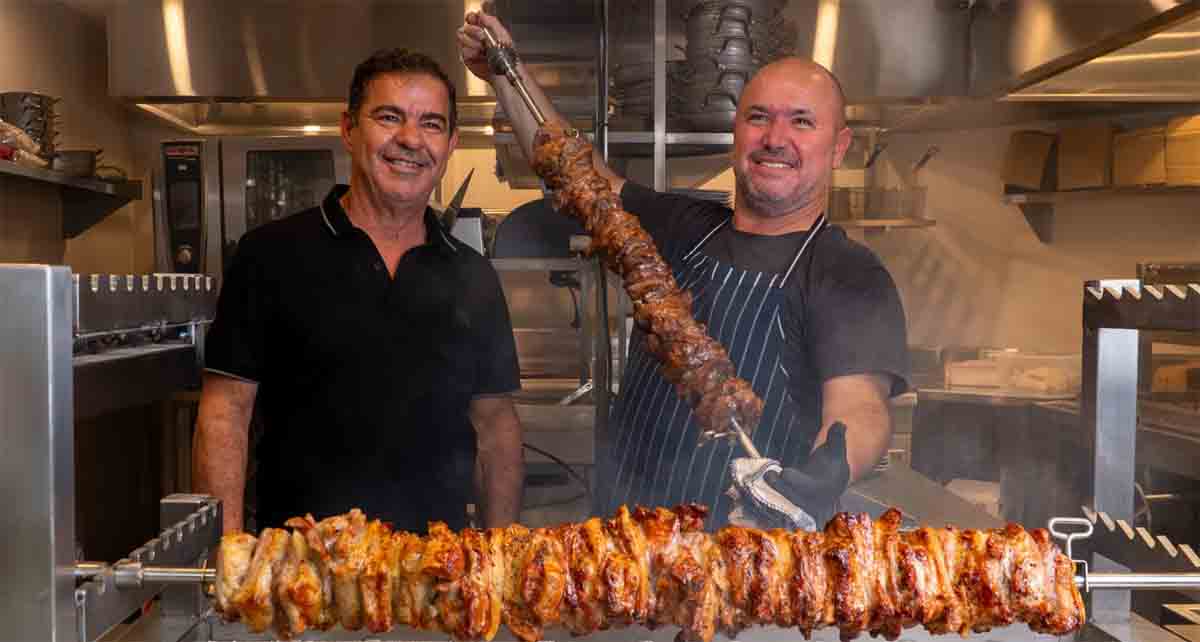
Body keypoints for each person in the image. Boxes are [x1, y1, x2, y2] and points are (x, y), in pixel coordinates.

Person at [458, 14, 909, 529]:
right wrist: (506, 71)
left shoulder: (848, 273)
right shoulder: (684, 225)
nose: (775, 138)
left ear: (839, 147)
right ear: (736, 133)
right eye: (758, 117)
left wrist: (825, 474)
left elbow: (860, 406)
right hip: (625, 539)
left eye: (802, 122)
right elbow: (574, 173)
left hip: (744, 551)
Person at [193, 49, 525, 534]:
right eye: (389, 117)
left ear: (451, 143)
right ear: (348, 129)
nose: (410, 139)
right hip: (303, 566)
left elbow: (495, 427)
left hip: (436, 568)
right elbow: (225, 414)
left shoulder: (472, 274)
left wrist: (499, 556)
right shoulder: (269, 254)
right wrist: (227, 550)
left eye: (432, 124)